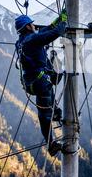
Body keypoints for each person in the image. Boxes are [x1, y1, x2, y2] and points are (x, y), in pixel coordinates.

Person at [15, 10, 67, 156]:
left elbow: (45, 31)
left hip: (34, 81)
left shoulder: (23, 41)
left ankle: (55, 112)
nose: (34, 25)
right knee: (44, 116)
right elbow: (50, 34)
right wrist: (61, 25)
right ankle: (51, 145)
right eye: (31, 24)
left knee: (49, 83)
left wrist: (58, 20)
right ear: (27, 27)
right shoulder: (31, 41)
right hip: (39, 82)